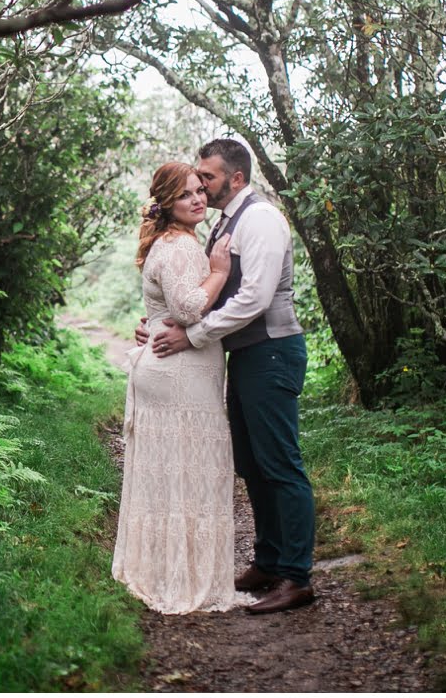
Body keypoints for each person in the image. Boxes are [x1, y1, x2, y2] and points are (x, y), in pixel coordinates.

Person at [136, 138, 316, 615]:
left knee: (280, 463)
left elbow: (254, 298)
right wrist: (159, 324)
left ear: (235, 178)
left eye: (208, 177)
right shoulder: (224, 222)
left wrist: (191, 335)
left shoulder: (259, 219)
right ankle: (269, 560)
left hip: (272, 351)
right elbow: (198, 291)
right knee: (253, 464)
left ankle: (297, 577)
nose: (201, 186)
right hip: (247, 354)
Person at [112, 161, 250, 614]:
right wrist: (219, 271)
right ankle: (179, 578)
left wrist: (149, 324)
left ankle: (171, 570)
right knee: (188, 477)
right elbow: (190, 307)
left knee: (176, 476)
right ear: (166, 206)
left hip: (177, 371)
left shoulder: (176, 241)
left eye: (199, 190)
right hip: (178, 376)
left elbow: (165, 305)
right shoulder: (180, 247)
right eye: (185, 195)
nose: (197, 199)